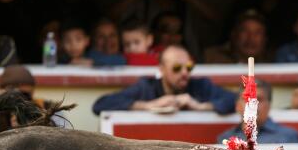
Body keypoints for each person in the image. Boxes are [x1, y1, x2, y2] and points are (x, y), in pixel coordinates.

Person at [92, 45, 236, 115]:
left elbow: (238, 100)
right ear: (161, 69)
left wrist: (200, 107)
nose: (185, 73)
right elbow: (100, 105)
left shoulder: (201, 85)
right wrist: (149, 105)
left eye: (189, 67)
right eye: (177, 68)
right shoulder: (146, 87)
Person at [0, 64, 65, 136]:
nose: (20, 100)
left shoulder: (47, 108)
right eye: (14, 95)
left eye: (24, 95)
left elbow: (63, 138)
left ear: (32, 92)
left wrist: (40, 121)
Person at [216, 79, 298, 145]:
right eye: (247, 99)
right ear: (237, 106)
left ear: (269, 105)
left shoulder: (289, 137)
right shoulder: (225, 139)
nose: (253, 105)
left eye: (259, 99)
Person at [204, 9, 271, 64]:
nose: (251, 38)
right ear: (233, 35)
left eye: (257, 33)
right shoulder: (211, 57)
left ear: (265, 39)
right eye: (244, 31)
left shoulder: (273, 62)